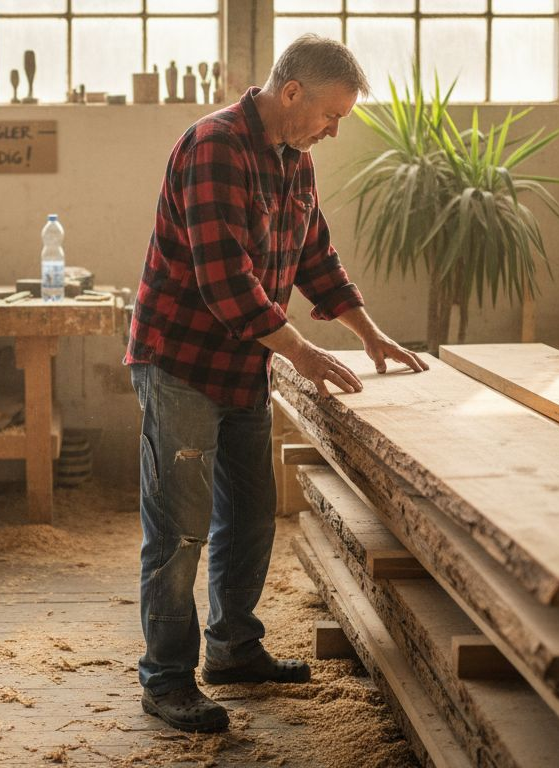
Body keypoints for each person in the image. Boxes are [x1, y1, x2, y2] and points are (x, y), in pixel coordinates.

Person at [122, 33, 429, 734]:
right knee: (178, 532)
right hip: (181, 364)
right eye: (332, 114)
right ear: (291, 92)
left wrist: (367, 332)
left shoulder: (295, 162)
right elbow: (225, 279)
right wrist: (301, 352)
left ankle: (232, 649)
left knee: (251, 515)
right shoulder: (213, 149)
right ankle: (166, 680)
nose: (333, 129)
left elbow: (316, 254)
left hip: (243, 364)